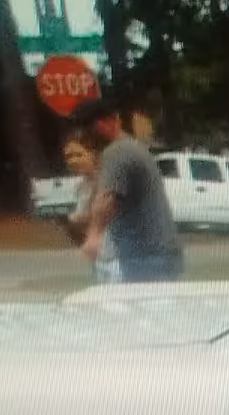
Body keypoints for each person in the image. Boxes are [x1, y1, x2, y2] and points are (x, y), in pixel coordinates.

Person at [69, 98, 183, 283]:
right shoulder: (132, 147)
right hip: (157, 252)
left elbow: (106, 198)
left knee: (146, 309)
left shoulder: (117, 153)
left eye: (87, 130)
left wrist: (94, 235)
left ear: (106, 123)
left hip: (145, 255)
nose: (84, 137)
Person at [59, 131, 100, 248]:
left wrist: (85, 217)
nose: (73, 161)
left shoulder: (107, 181)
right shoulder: (79, 185)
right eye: (69, 157)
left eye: (78, 155)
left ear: (93, 154)